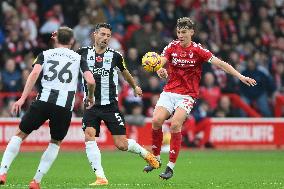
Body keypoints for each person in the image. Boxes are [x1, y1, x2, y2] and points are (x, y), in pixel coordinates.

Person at [143, 17, 257, 180]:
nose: (180, 35)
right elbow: (160, 61)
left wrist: (240, 76)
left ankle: (170, 167)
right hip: (169, 91)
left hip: (187, 94)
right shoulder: (171, 47)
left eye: (183, 32)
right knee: (156, 121)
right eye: (178, 32)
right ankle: (156, 159)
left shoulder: (198, 50)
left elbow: (221, 64)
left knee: (175, 124)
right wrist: (159, 69)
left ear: (191, 32)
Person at [0, 26, 95, 189]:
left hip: (43, 101)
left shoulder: (44, 54)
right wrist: (90, 97)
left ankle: (2, 172)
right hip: (64, 106)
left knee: (20, 134)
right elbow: (91, 81)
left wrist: (22, 98)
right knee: (55, 142)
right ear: (72, 41)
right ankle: (36, 181)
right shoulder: (79, 58)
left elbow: (34, 74)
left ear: (55, 39)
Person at [77, 23, 159, 186]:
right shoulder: (82, 53)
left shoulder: (115, 56)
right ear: (95, 35)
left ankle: (146, 154)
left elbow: (125, 73)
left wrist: (135, 86)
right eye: (102, 34)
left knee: (121, 144)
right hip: (91, 105)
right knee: (89, 135)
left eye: (108, 35)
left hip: (110, 106)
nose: (105, 38)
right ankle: (101, 177)